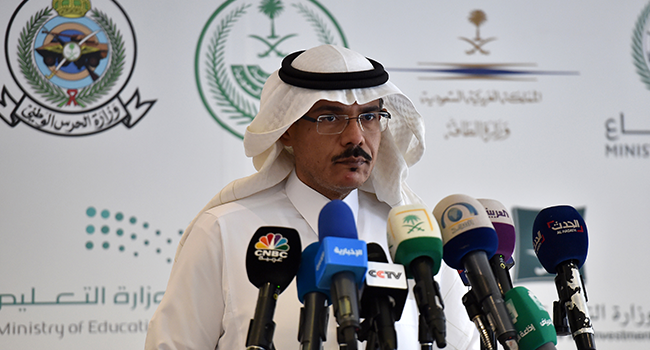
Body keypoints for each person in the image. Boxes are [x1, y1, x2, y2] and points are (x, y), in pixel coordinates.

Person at [145, 44, 478, 349]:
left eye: (369, 117)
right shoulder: (224, 231)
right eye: (330, 118)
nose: (355, 137)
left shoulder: (416, 237)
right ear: (287, 129)